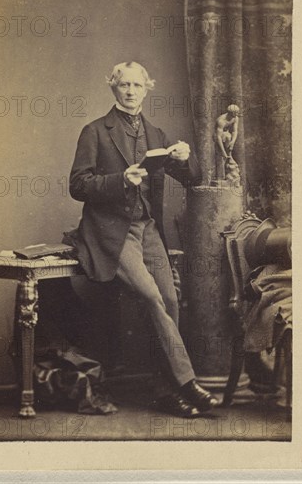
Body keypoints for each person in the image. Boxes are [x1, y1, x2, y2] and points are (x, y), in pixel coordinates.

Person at [69, 61, 218, 418]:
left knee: (169, 298)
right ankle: (186, 382)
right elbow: (78, 185)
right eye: (124, 85)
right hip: (111, 231)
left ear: (147, 88)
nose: (131, 91)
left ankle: (165, 390)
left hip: (148, 229)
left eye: (137, 85)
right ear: (113, 88)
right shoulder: (95, 131)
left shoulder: (156, 134)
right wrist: (121, 179)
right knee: (152, 296)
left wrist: (185, 159)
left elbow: (192, 178)